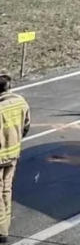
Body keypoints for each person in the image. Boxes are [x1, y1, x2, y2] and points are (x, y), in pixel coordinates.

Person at [0, 74, 30, 243]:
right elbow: (26, 127)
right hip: (13, 154)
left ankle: (1, 231)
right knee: (6, 190)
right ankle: (6, 225)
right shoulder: (21, 102)